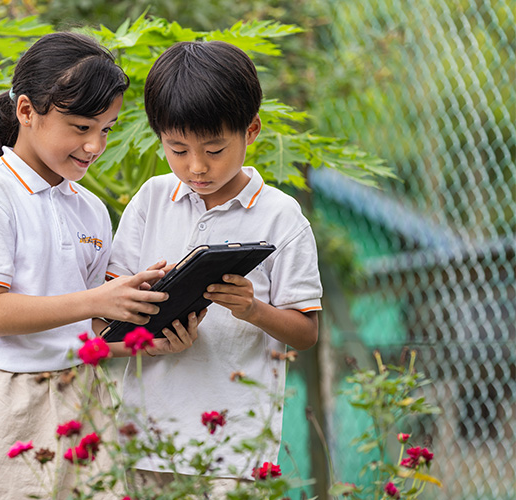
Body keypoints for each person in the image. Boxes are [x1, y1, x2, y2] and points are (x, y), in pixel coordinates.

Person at [0, 32, 199, 500]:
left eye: (107, 128)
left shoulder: (89, 208)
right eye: (80, 127)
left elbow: (82, 334)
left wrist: (143, 338)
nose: (94, 145)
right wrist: (101, 299)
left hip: (83, 400)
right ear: (27, 112)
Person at [106, 41, 323, 495]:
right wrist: (143, 315)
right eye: (177, 148)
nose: (196, 167)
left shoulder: (281, 217)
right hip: (144, 438)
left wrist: (251, 309)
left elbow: (306, 332)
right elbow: (106, 312)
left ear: (252, 130)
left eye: (215, 149)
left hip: (234, 449)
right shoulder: (149, 200)